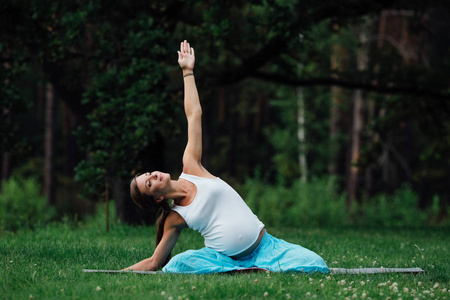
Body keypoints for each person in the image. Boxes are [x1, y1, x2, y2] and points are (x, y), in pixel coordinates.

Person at [125, 40, 328, 274]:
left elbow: (194, 115)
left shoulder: (191, 167)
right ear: (157, 199)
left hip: (266, 248)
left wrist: (188, 72)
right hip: (224, 258)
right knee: (176, 265)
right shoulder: (175, 218)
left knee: (316, 265)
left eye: (149, 174)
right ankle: (240, 269)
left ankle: (256, 266)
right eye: (149, 183)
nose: (154, 175)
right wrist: (119, 275)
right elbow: (154, 263)